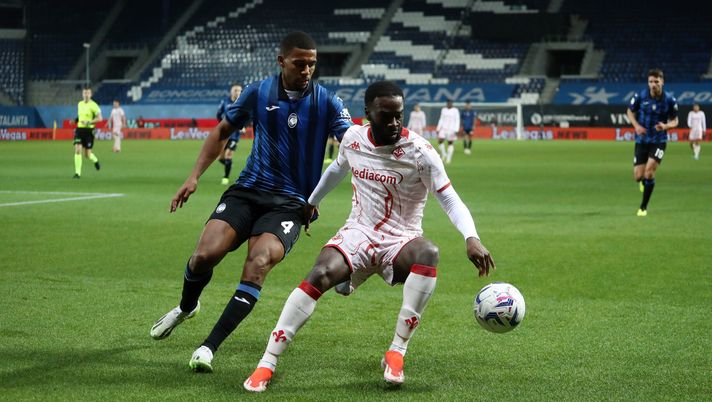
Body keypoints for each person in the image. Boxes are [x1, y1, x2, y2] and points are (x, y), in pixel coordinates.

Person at [243, 81, 495, 392]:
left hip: (402, 239)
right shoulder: (353, 138)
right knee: (320, 274)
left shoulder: (421, 153)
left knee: (429, 253)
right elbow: (337, 168)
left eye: (398, 116)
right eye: (385, 116)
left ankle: (396, 352)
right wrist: (311, 202)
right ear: (367, 114)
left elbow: (449, 198)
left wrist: (471, 237)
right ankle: (267, 363)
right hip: (357, 233)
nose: (393, 123)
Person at [149, 31, 353, 373]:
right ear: (281, 61)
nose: (306, 70)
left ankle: (208, 347)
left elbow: (354, 144)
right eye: (299, 63)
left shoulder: (326, 102)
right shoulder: (258, 92)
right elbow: (221, 132)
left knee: (258, 263)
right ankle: (187, 307)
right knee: (203, 257)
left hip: (290, 204)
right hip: (247, 191)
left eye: (312, 64)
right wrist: (194, 176)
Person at [626, 68, 679, 217]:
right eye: (650, 81)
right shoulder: (640, 96)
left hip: (659, 140)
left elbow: (675, 120)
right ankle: (643, 182)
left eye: (656, 81)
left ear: (662, 81)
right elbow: (629, 111)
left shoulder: (670, 100)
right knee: (638, 176)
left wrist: (666, 126)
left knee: (649, 172)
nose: (653, 84)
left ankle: (643, 207)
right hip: (642, 140)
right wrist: (636, 126)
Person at [216, 84, 244, 184]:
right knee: (220, 158)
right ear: (231, 91)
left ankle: (226, 178)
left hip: (235, 135)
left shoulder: (243, 102)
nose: (237, 92)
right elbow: (218, 114)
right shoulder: (225, 101)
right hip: (225, 134)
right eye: (235, 90)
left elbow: (246, 116)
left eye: (239, 90)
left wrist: (242, 126)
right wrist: (222, 125)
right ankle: (229, 164)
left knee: (228, 155)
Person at [73, 87, 102, 178]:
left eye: (88, 93)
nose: (86, 95)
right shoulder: (79, 104)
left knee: (87, 154)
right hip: (79, 130)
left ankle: (95, 160)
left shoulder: (94, 105)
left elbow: (100, 118)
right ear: (82, 94)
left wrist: (89, 122)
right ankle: (78, 173)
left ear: (91, 94)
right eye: (85, 93)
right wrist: (75, 120)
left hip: (89, 131)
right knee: (78, 150)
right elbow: (80, 116)